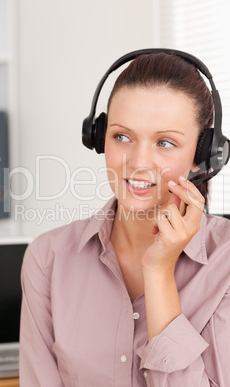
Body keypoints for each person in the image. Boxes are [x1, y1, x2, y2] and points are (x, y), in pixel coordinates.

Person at [19, 51, 230, 386]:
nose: (138, 162)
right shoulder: (49, 259)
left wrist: (159, 274)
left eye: (165, 142)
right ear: (99, 137)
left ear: (203, 155)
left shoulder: (226, 264)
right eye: (122, 136)